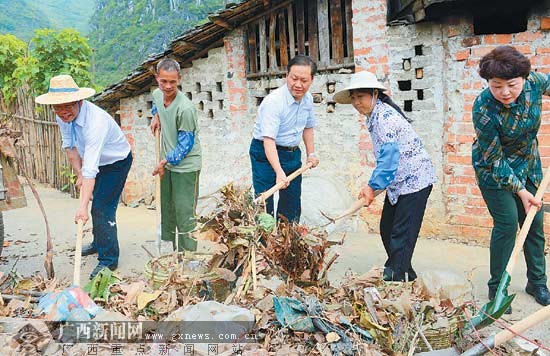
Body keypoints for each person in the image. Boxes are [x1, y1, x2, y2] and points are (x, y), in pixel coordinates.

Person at [334, 71, 436, 282]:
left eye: (360, 97)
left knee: (401, 233)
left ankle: (395, 276)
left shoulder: (385, 118)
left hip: (416, 179)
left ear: (374, 94)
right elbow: (387, 162)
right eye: (353, 98)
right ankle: (405, 272)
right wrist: (372, 187)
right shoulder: (375, 115)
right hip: (400, 181)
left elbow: (388, 159)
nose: (356, 103)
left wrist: (372, 187)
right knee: (387, 228)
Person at [472, 45, 550, 309]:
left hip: (528, 165)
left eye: (512, 85)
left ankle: (537, 282)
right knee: (507, 224)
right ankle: (498, 286)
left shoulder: (535, 83)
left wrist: (526, 187)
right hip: (493, 170)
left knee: (534, 224)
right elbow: (494, 159)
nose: (505, 92)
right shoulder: (483, 107)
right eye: (497, 86)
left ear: (524, 79)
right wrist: (520, 191)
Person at [35, 75, 132, 278]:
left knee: (101, 208)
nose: (63, 112)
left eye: (68, 106)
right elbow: (69, 146)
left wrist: (81, 207)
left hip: (116, 163)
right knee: (96, 202)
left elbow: (91, 169)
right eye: (58, 108)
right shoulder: (62, 117)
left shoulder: (95, 122)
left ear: (79, 101)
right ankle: (99, 242)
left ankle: (108, 260)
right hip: (94, 163)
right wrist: (78, 174)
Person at [249, 55, 320, 223]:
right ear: (286, 76)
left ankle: (286, 243)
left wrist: (311, 153)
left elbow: (308, 127)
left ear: (312, 79)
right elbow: (268, 141)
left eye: (304, 80)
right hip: (265, 153)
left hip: (291, 154)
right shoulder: (273, 102)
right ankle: (263, 244)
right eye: (294, 78)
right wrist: (279, 172)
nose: (298, 84)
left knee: (292, 202)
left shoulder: (308, 99)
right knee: (265, 201)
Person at [150, 58, 201, 253]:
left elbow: (185, 145)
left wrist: (164, 161)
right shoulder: (157, 94)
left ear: (180, 79)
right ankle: (170, 253)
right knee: (168, 209)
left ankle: (189, 257)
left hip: (186, 166)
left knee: (184, 212)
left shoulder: (185, 108)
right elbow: (157, 105)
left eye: (172, 81)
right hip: (168, 165)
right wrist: (156, 116)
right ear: (157, 79)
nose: (168, 86)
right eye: (164, 81)